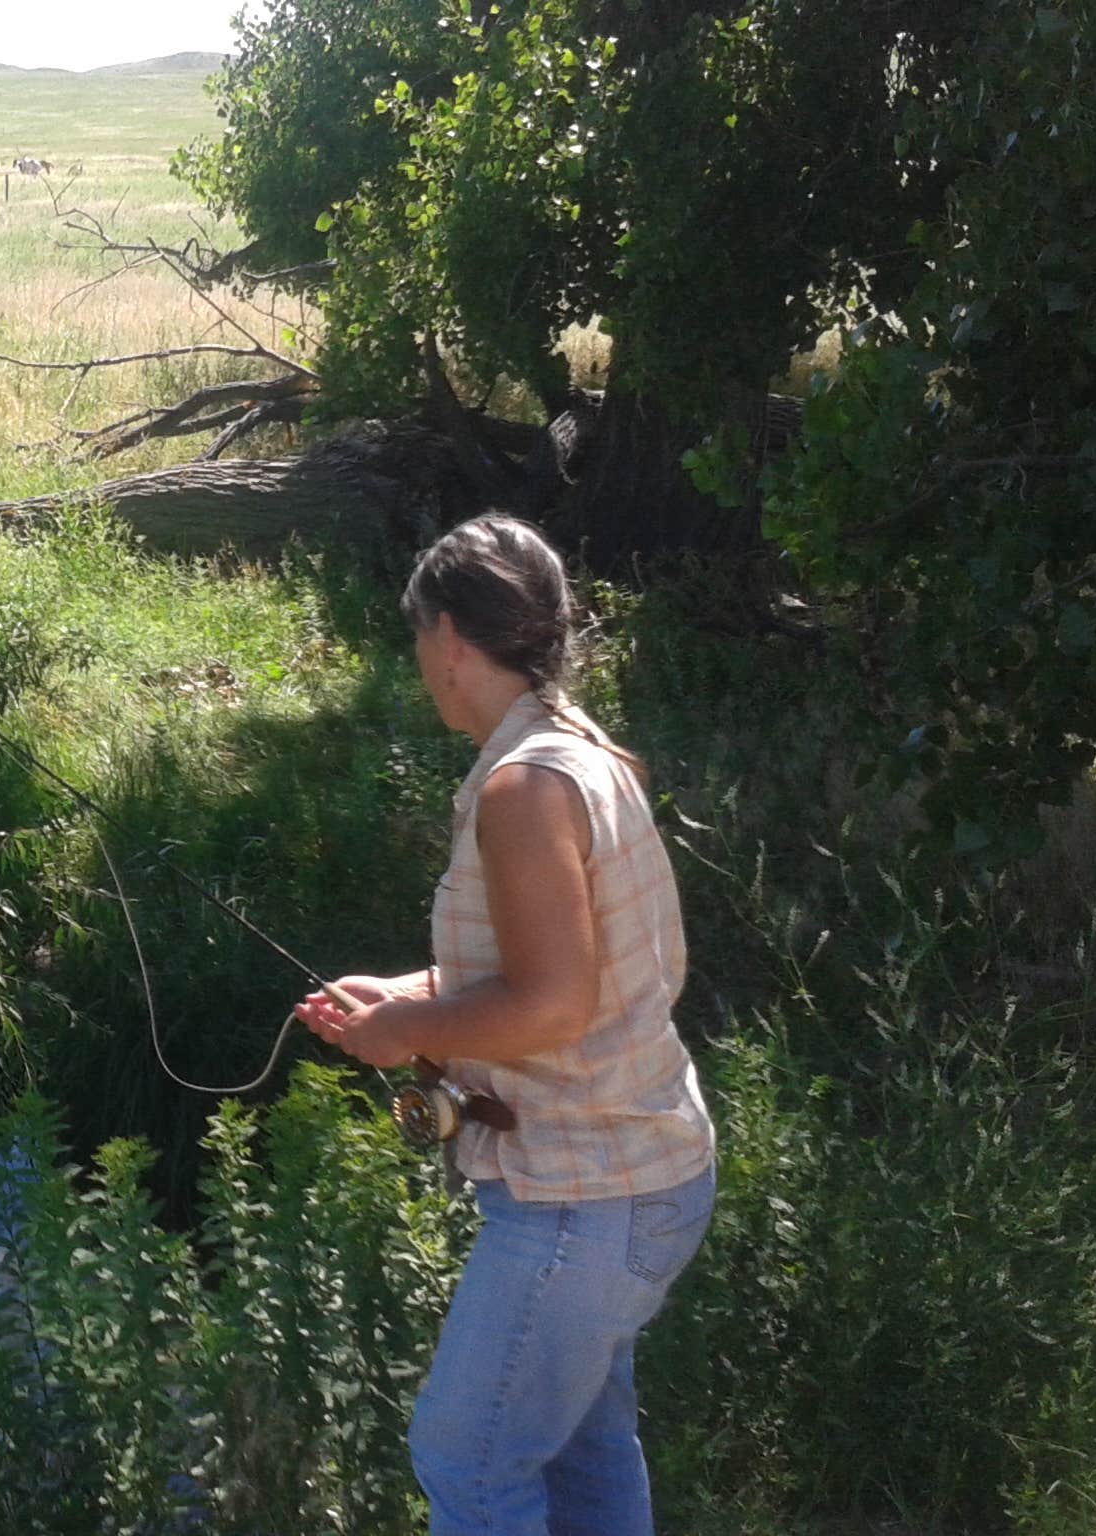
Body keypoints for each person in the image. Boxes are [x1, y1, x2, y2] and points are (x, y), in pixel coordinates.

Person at [292, 513, 717, 1536]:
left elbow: (555, 1006)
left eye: (416, 642)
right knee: (579, 1455)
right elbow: (559, 970)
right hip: (643, 1168)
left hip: (583, 1195)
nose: (420, 665)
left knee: (467, 1455)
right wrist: (407, 996)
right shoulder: (578, 752)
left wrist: (407, 1035)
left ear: (446, 638)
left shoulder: (523, 787)